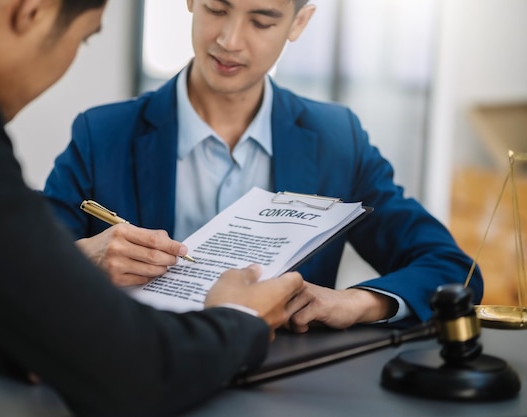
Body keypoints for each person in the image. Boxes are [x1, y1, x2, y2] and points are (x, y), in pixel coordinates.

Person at [0, 0, 306, 416]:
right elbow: (133, 370)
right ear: (33, 11)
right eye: (85, 38)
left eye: (260, 21)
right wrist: (240, 315)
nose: (230, 39)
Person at [44, 0, 484, 331]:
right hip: (140, 381)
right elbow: (18, 271)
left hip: (280, 388)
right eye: (217, 8)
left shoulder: (337, 139)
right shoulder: (102, 135)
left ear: (299, 23)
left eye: (261, 20)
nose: (230, 40)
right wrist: (85, 257)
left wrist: (355, 303)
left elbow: (451, 267)